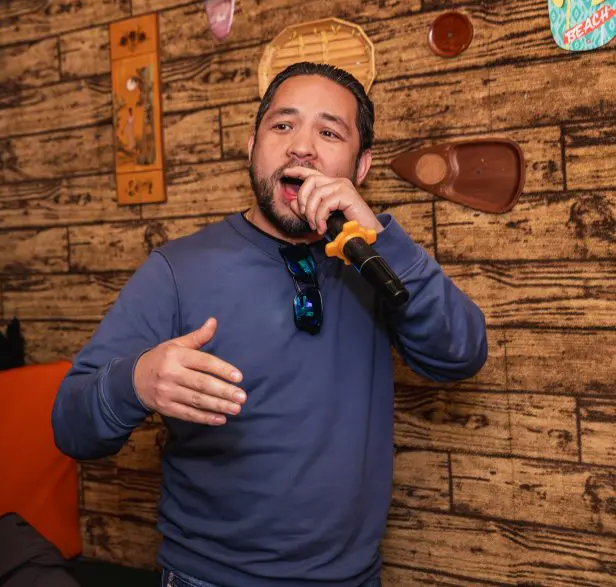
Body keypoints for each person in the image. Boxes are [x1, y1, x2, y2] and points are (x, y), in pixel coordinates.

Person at [51, 62, 487, 587]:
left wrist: (379, 237)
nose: (302, 147)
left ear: (361, 166)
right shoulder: (177, 269)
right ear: (252, 146)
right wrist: (137, 381)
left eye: (329, 133)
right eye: (283, 125)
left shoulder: (373, 262)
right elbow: (70, 426)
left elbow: (460, 354)